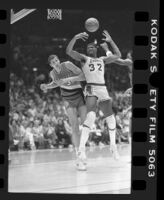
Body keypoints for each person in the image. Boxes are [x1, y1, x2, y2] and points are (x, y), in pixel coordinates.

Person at [66, 30, 121, 170]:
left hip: (103, 88)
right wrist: (75, 37)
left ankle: (113, 146)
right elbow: (69, 51)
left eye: (92, 47)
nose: (90, 48)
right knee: (90, 117)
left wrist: (110, 41)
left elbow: (118, 55)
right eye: (88, 47)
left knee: (111, 119)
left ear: (96, 48)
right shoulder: (84, 58)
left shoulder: (102, 59)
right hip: (91, 88)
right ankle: (82, 150)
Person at [40, 55, 87, 170]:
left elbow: (83, 76)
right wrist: (47, 86)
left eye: (56, 60)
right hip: (67, 98)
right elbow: (56, 83)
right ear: (51, 65)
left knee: (86, 125)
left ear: (58, 60)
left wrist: (68, 79)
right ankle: (79, 154)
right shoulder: (52, 73)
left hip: (79, 95)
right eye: (53, 62)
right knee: (74, 126)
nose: (56, 62)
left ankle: (82, 148)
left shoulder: (67, 64)